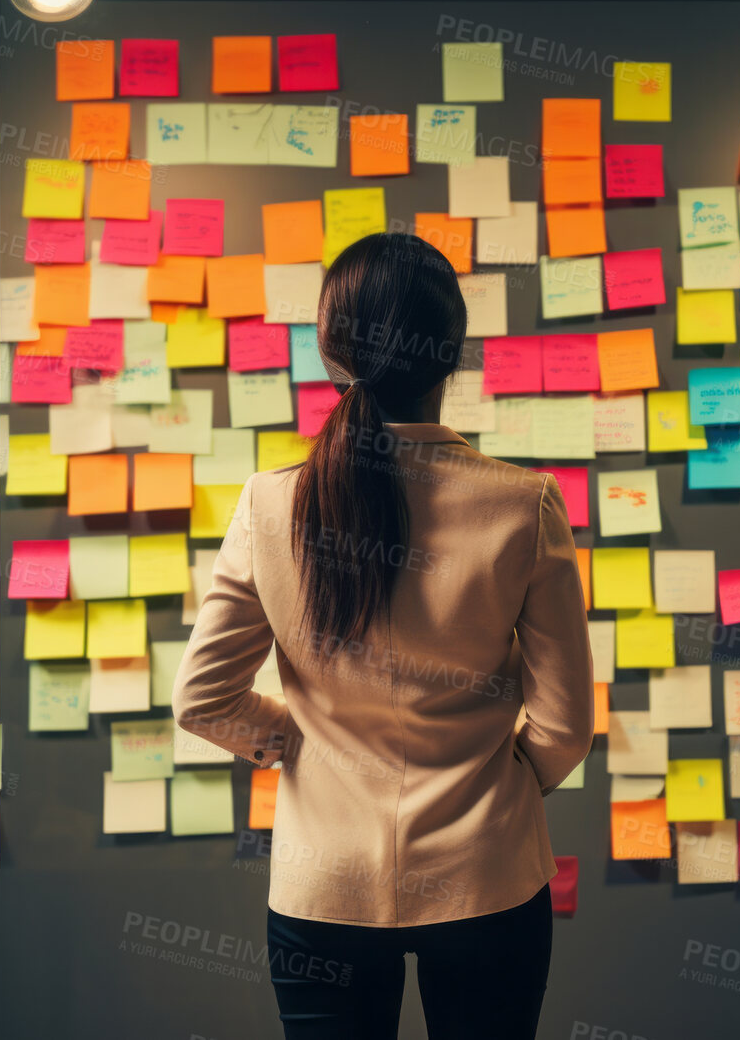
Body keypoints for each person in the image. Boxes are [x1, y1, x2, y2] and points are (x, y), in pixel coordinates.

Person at [173, 232, 594, 1039]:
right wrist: (500, 788)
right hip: (486, 877)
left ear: (333, 355)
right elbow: (565, 727)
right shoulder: (522, 505)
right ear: (452, 354)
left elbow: (202, 699)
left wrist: (300, 742)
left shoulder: (270, 504)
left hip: (320, 883)